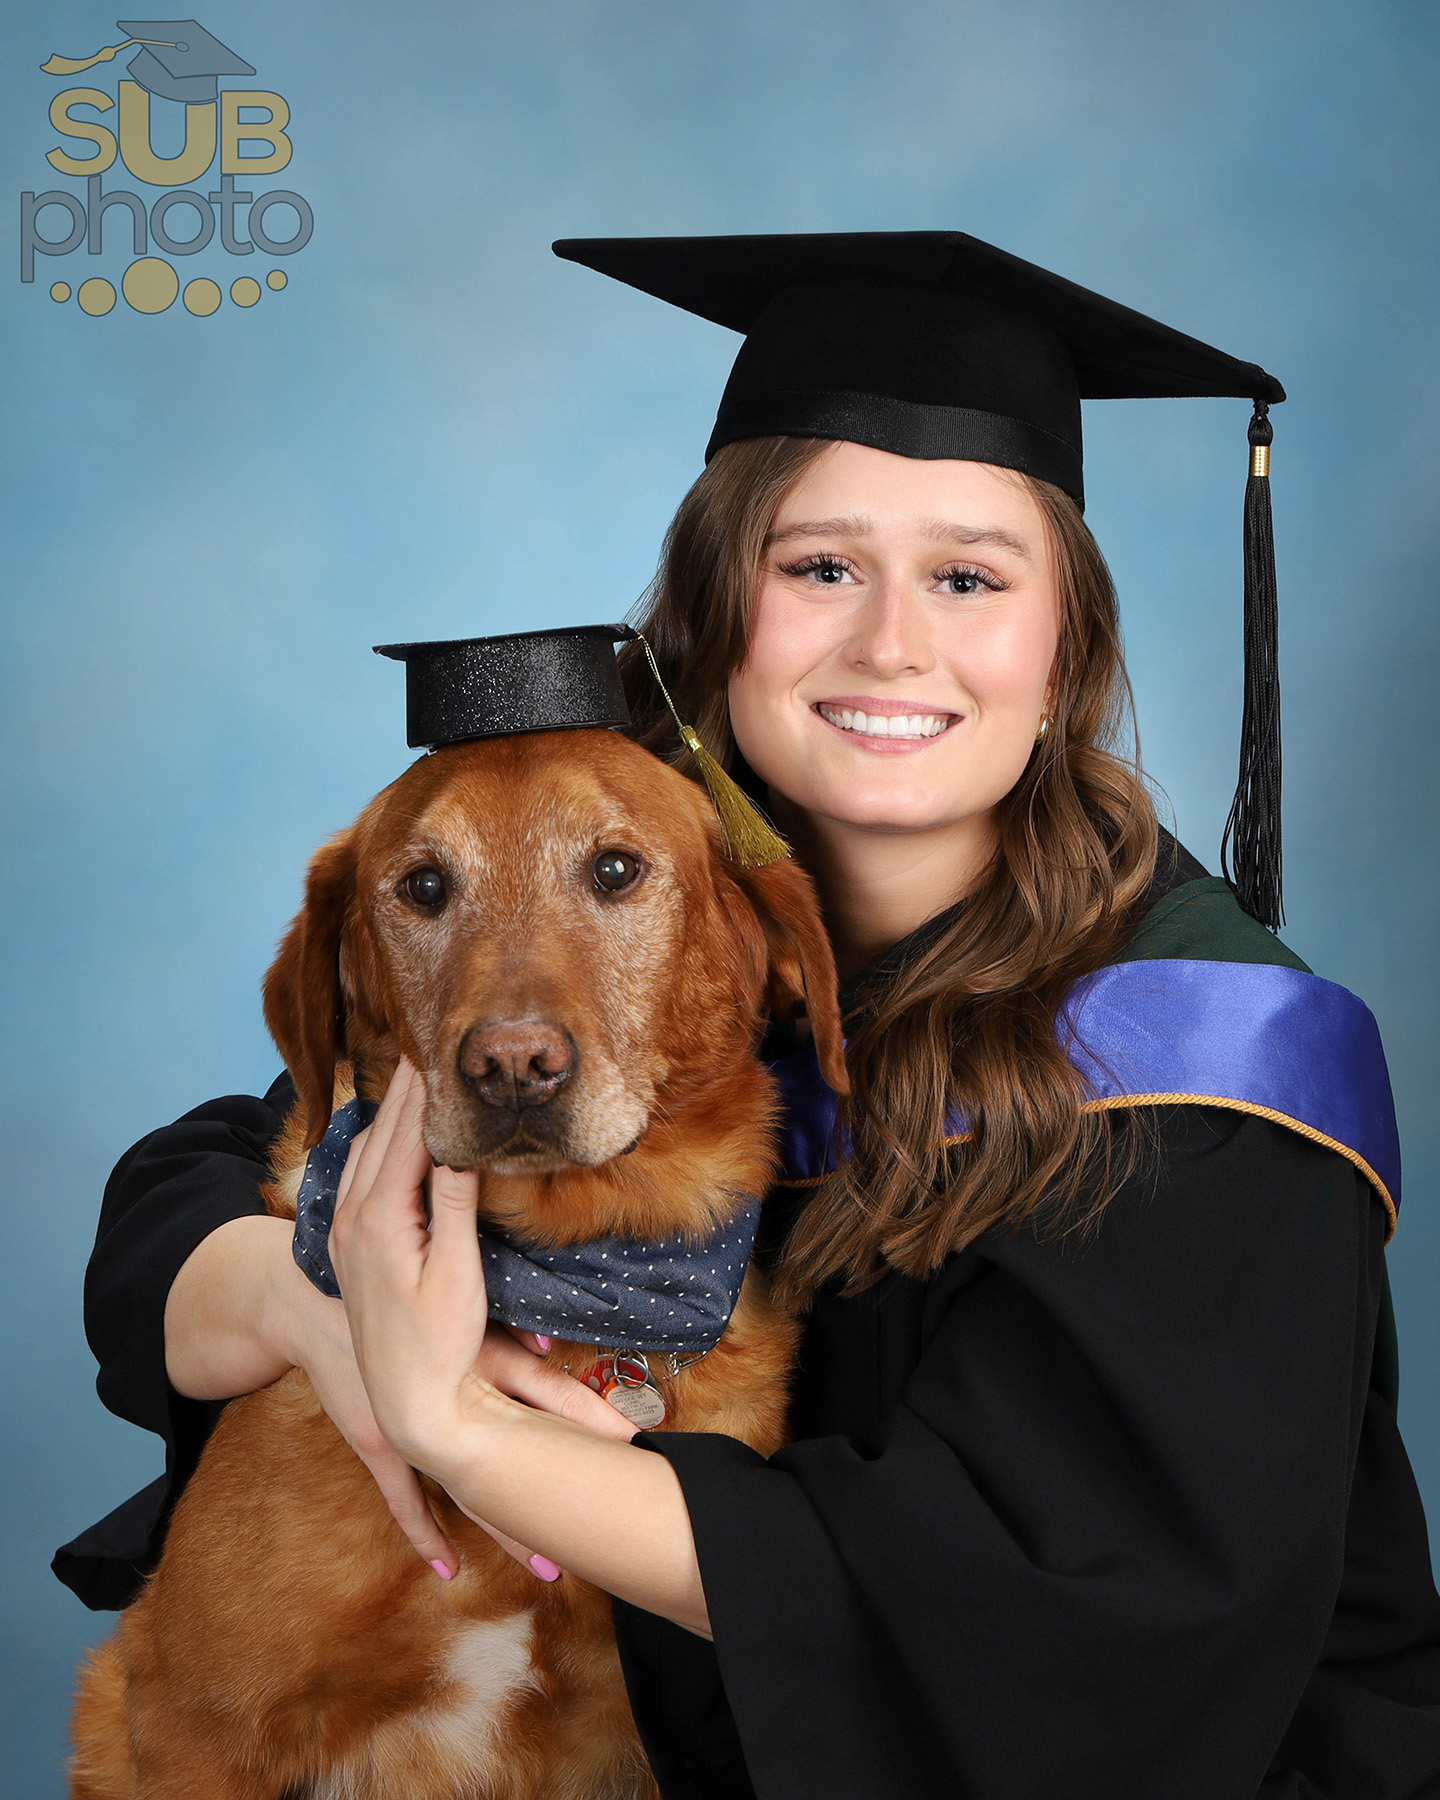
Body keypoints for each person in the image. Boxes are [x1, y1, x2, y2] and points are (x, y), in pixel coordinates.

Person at [59, 233, 1440, 1797]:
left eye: (970, 578)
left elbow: (1050, 1640)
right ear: (717, 627)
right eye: (821, 567)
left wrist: (458, 1426)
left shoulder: (1213, 1067)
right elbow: (248, 1155)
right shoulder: (661, 910)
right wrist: (315, 1302)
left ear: (1066, 659)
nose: (890, 644)